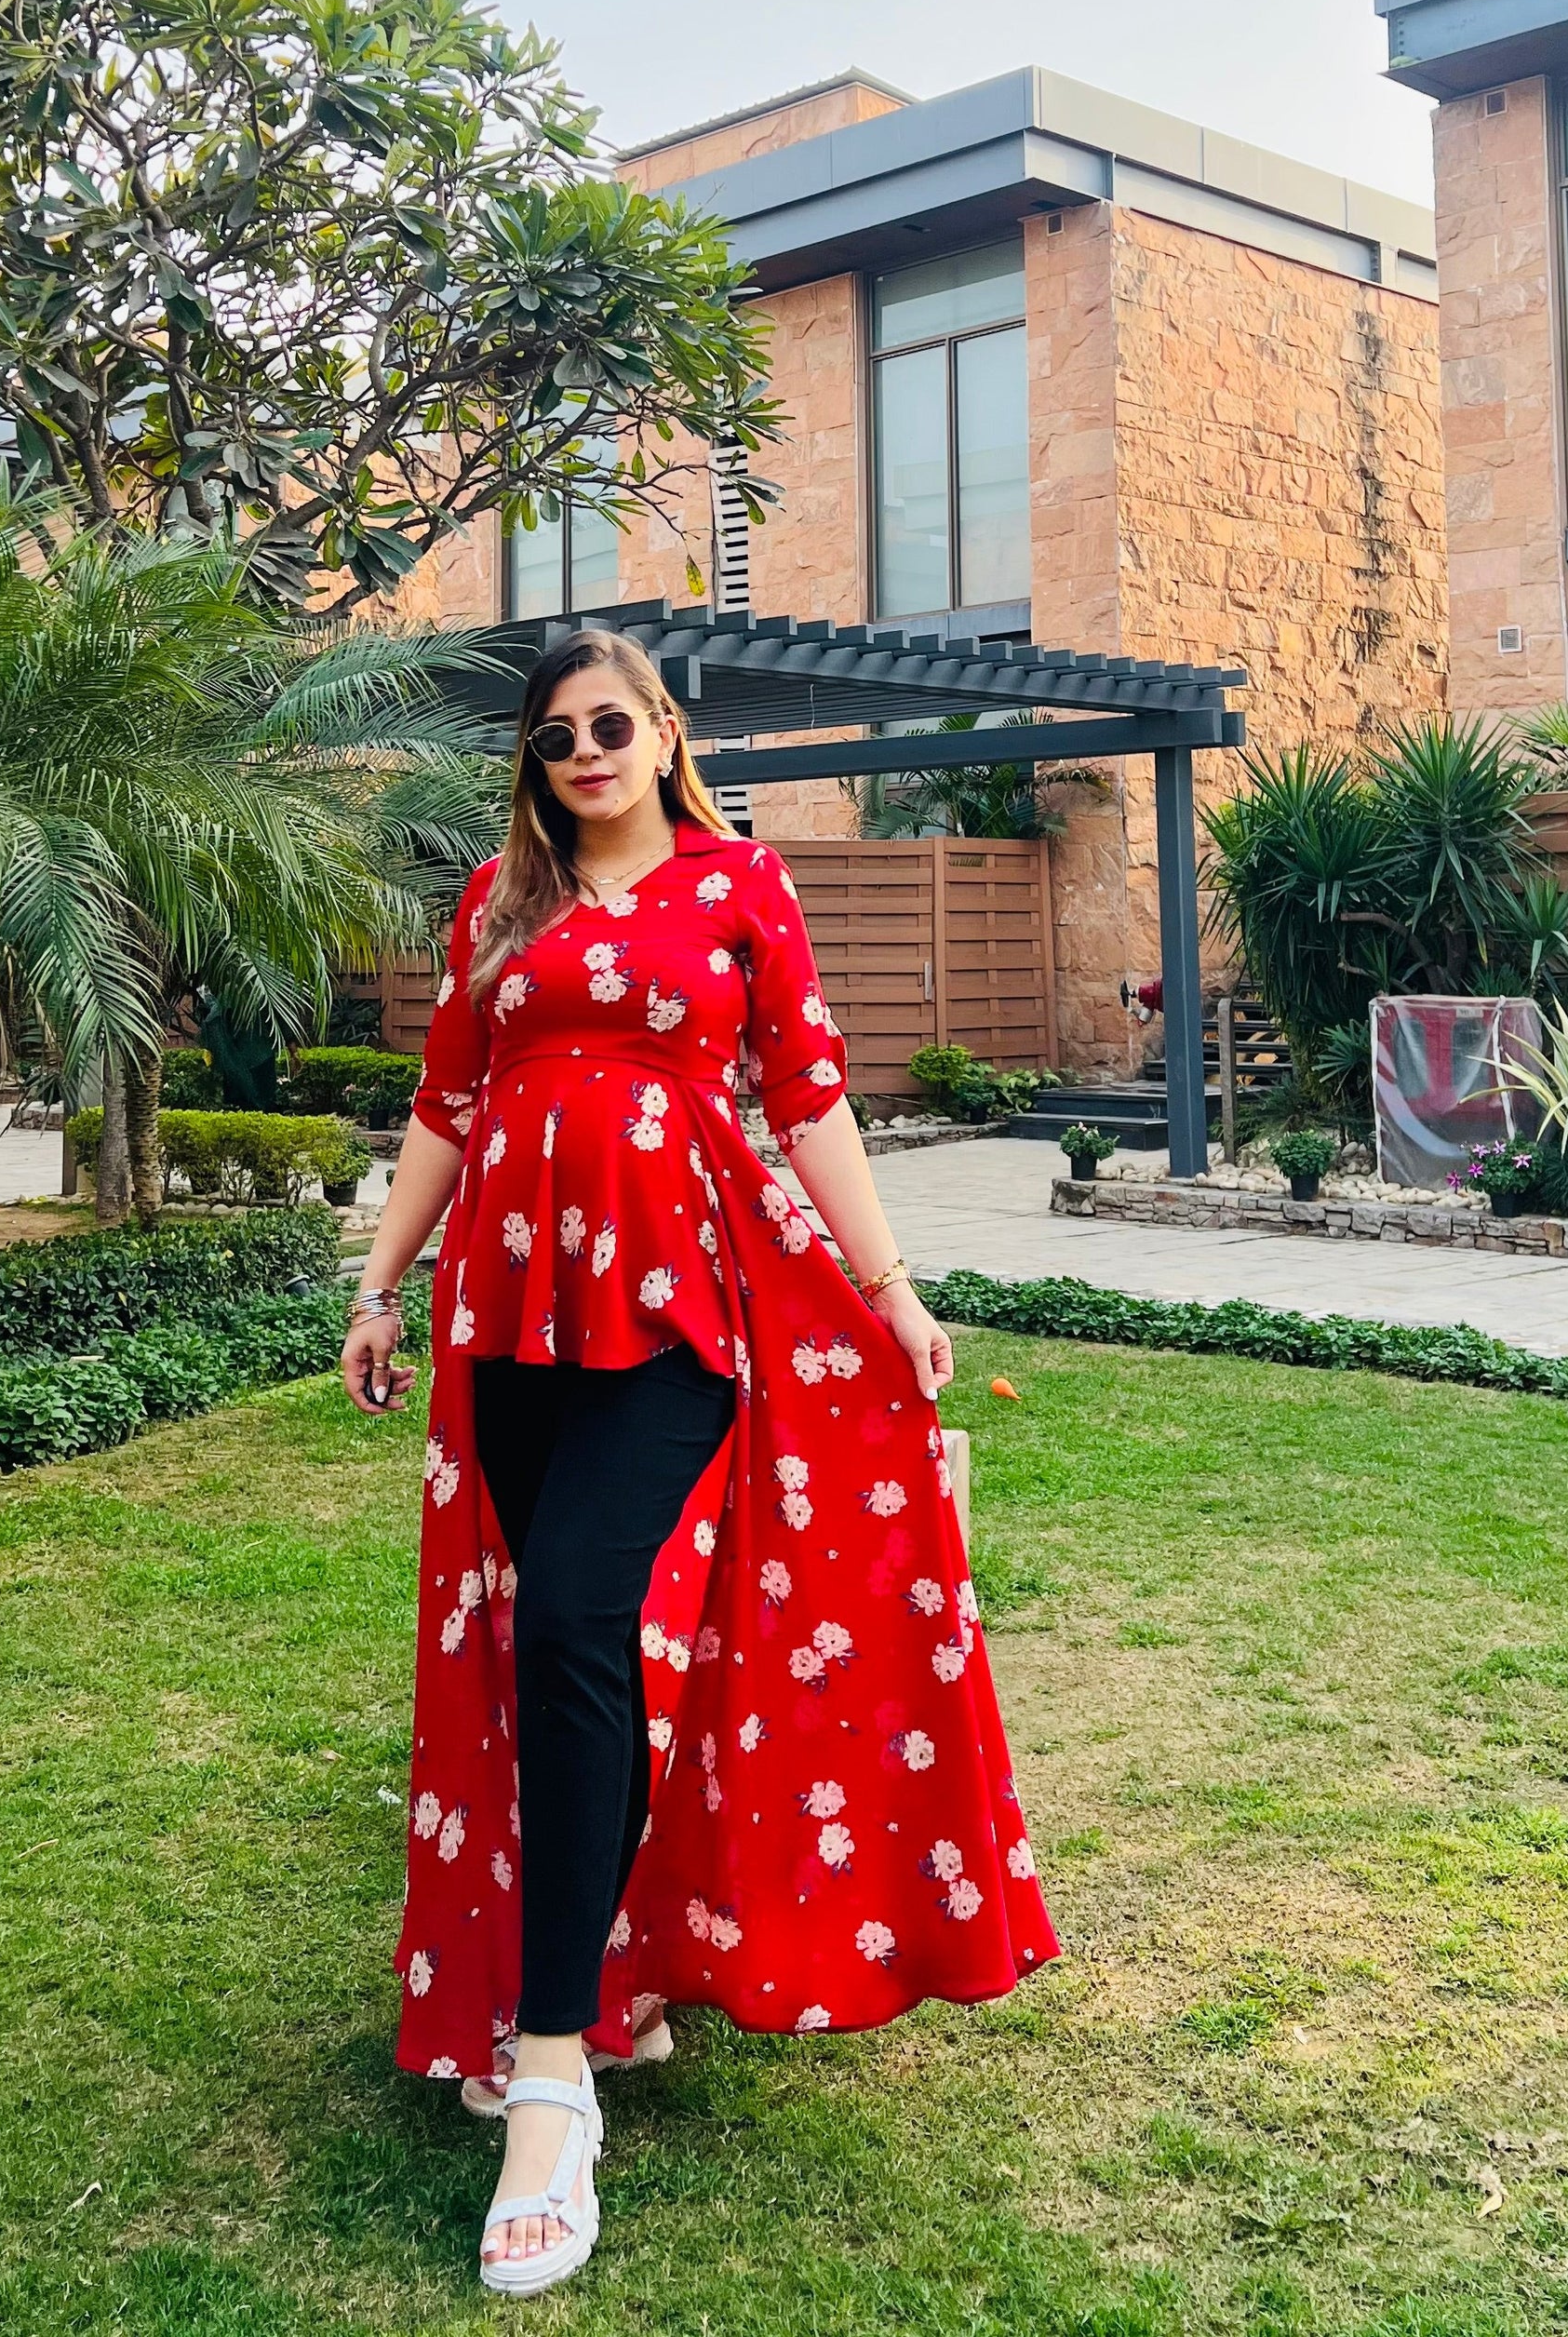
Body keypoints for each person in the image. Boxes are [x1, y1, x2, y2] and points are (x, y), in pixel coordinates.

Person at [343, 628, 1057, 2297]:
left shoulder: (741, 886)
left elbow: (808, 1097)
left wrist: (893, 1289)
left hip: (678, 1307)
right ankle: (612, 1981)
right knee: (557, 1658)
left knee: (573, 1622)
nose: (583, 753)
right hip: (511, 1315)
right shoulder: (496, 904)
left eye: (610, 724)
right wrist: (377, 1290)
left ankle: (549, 2077)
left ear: (665, 732)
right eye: (553, 737)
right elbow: (446, 1106)